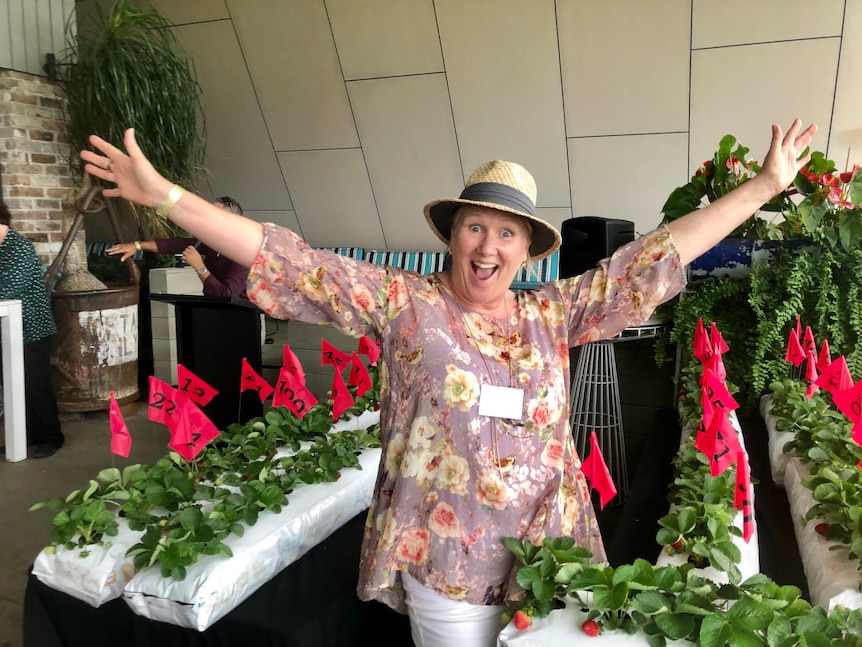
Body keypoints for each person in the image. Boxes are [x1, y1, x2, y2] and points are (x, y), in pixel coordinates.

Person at [82, 119, 816, 646]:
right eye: (475, 226)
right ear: (452, 234)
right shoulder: (408, 305)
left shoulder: (552, 313)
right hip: (447, 568)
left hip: (549, 559)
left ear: (527, 251)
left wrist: (764, 184)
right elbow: (295, 263)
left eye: (506, 233)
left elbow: (656, 257)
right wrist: (169, 197)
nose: (488, 244)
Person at [0, 202, 65, 459]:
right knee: (12, 384)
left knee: (35, 383)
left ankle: (51, 436)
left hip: (32, 328)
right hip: (7, 329)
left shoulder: (18, 247)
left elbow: (9, 286)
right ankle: (24, 435)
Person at [105, 196, 249, 298]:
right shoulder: (211, 242)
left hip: (240, 317)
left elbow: (226, 294)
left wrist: (200, 267)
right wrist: (137, 245)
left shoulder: (244, 251)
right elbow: (175, 244)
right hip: (214, 312)